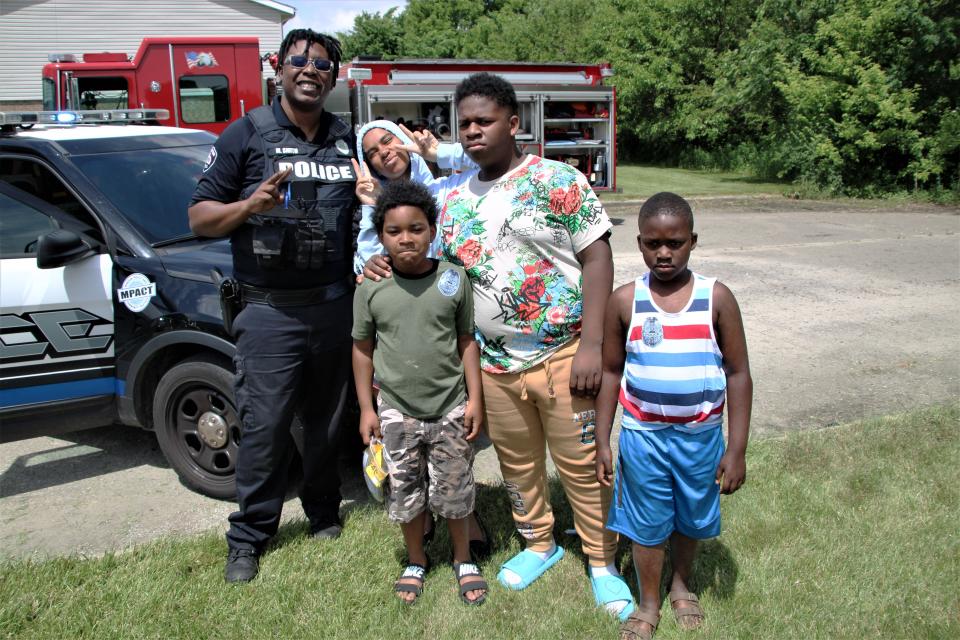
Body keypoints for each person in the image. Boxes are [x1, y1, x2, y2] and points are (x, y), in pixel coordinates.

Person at [364, 72, 636, 620]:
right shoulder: (450, 199)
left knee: (582, 464)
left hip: (564, 352)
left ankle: (602, 560)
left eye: (484, 121)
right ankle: (540, 542)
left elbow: (597, 257)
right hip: (493, 364)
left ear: (514, 124)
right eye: (463, 123)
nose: (472, 132)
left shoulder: (558, 180)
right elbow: (418, 251)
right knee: (518, 465)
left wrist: (592, 346)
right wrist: (377, 261)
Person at [188, 29, 357, 583]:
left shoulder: (346, 136)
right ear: (279, 69)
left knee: (328, 423)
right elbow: (199, 217)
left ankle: (323, 512)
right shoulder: (246, 133)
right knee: (264, 427)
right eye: (299, 61)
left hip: (335, 306)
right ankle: (250, 536)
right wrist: (249, 204)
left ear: (335, 76)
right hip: (269, 313)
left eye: (322, 64)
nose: (311, 70)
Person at [594, 192, 753, 639]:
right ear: (640, 243)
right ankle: (648, 602)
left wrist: (736, 448)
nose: (664, 253)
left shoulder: (716, 297)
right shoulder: (625, 301)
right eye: (652, 243)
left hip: (701, 437)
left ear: (693, 241)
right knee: (647, 523)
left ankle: (681, 584)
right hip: (643, 436)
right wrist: (602, 440)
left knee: (692, 516)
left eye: (675, 243)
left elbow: (739, 374)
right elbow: (610, 371)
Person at [352, 120, 491, 558]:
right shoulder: (374, 208)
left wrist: (436, 151)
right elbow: (367, 264)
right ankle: (421, 522)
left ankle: (462, 524)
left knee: (453, 453)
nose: (384, 152)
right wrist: (369, 218)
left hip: (450, 324)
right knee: (409, 453)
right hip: (404, 342)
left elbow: (489, 161)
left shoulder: (447, 185)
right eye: (372, 150)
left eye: (389, 139)